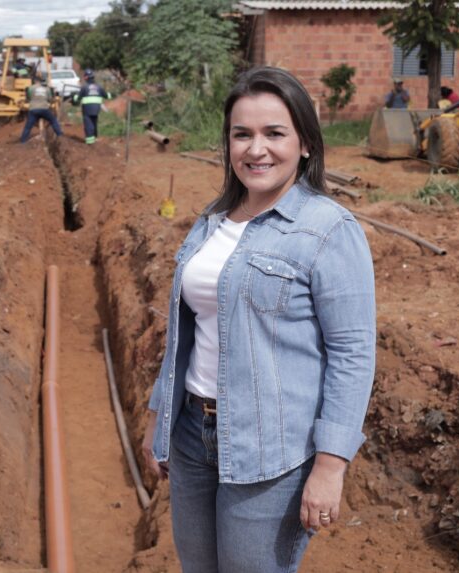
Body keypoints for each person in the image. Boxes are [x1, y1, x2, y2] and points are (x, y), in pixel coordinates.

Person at [141, 66, 376, 573]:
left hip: (271, 451)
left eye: (274, 133)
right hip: (189, 435)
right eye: (242, 134)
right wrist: (160, 417)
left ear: (306, 144)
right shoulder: (211, 222)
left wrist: (331, 466)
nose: (256, 149)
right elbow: (185, 333)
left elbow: (353, 355)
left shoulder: (329, 230)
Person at [72, 69, 112, 144]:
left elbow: (77, 98)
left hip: (87, 108)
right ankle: (95, 138)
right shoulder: (99, 87)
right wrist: (110, 94)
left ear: (86, 78)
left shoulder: (84, 87)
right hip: (96, 108)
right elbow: (107, 96)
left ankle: (90, 142)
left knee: (88, 123)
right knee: (94, 121)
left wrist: (74, 97)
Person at [19, 79, 63, 143]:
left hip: (33, 110)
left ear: (35, 82)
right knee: (53, 120)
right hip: (44, 109)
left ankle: (23, 141)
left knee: (28, 126)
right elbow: (50, 99)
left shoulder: (30, 88)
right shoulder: (47, 89)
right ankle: (60, 135)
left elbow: (28, 99)